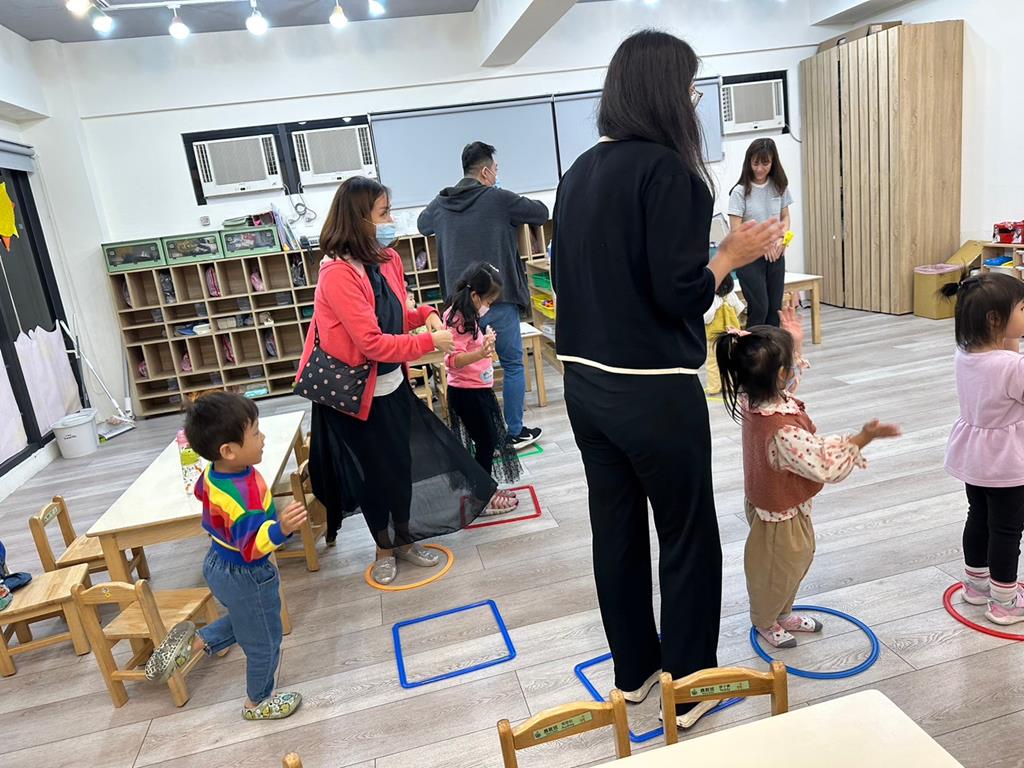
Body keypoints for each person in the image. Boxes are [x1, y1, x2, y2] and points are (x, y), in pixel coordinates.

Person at [551, 29, 784, 731]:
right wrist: (729, 256)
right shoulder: (672, 173)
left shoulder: (578, 172)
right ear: (664, 93)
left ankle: (635, 677)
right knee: (686, 534)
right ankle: (691, 683)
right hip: (652, 388)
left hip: (583, 385)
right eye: (688, 88)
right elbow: (679, 294)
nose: (693, 100)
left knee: (616, 529)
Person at [301, 176, 497, 586]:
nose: (391, 220)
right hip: (355, 394)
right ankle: (384, 548)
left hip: (391, 386)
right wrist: (430, 340)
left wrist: (426, 314)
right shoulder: (337, 274)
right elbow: (371, 342)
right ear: (359, 219)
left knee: (400, 466)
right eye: (384, 213)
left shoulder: (387, 259)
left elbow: (395, 315)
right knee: (374, 474)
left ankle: (405, 540)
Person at [715, 309, 899, 648]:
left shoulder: (754, 398)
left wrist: (794, 344)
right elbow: (825, 463)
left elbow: (785, 381)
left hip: (778, 502)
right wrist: (863, 437)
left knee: (793, 563)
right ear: (780, 374)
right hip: (778, 515)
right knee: (775, 571)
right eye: (789, 365)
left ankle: (782, 612)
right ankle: (766, 620)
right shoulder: (782, 431)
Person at [145, 392, 308, 721]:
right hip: (247, 573)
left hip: (217, 564)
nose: (263, 438)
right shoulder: (244, 496)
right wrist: (282, 529)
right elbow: (252, 547)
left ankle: (196, 643)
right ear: (229, 450)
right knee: (265, 639)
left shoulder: (214, 473)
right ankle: (256, 702)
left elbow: (199, 491)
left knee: (252, 620)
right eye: (256, 433)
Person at [417, 141, 549, 450]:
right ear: (486, 172)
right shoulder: (499, 198)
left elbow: (423, 225)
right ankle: (514, 431)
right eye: (496, 170)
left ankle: (479, 437)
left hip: (459, 306)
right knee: (512, 364)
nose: (496, 176)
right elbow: (541, 213)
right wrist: (506, 202)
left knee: (464, 370)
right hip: (496, 300)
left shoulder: (441, 202)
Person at [942, 272, 1024, 625]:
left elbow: (1005, 361)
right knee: (1007, 529)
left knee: (978, 517)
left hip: (975, 457)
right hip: (1007, 463)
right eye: (1022, 309)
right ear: (995, 319)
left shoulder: (965, 353)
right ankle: (1005, 601)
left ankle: (976, 586)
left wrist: (1012, 336)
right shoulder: (1012, 367)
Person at [444, 262, 523, 514]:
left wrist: (484, 339)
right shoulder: (458, 318)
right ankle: (481, 498)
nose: (490, 306)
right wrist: (481, 352)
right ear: (475, 296)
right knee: (486, 443)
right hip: (467, 393)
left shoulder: (468, 314)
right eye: (488, 301)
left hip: (478, 388)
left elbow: (470, 345)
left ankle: (485, 488)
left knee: (487, 441)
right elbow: (453, 360)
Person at [728, 138, 793, 327]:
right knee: (760, 309)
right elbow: (736, 231)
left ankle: (772, 347)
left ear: (773, 162)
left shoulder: (779, 186)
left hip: (776, 255)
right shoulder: (739, 192)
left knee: (774, 311)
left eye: (765, 163)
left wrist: (782, 239)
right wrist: (763, 245)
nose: (759, 169)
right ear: (748, 162)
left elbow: (785, 218)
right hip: (749, 258)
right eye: (755, 163)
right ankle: (752, 346)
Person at [703, 272, 745, 395]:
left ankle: (714, 387)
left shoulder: (710, 299)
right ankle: (730, 384)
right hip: (731, 334)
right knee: (731, 360)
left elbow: (707, 318)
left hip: (714, 337)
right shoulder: (731, 295)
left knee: (713, 363)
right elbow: (739, 309)